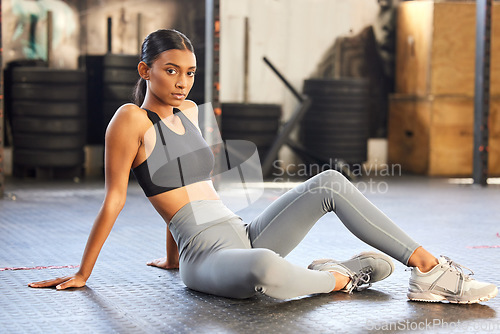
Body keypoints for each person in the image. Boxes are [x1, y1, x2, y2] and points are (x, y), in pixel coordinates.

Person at [29, 29, 497, 304]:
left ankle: (429, 269)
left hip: (240, 230)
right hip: (207, 256)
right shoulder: (128, 121)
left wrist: (165, 257)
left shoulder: (197, 113)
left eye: (189, 72)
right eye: (170, 70)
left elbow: (191, 184)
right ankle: (343, 276)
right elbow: (118, 200)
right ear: (144, 70)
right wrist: (84, 273)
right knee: (263, 270)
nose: (182, 82)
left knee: (329, 182)